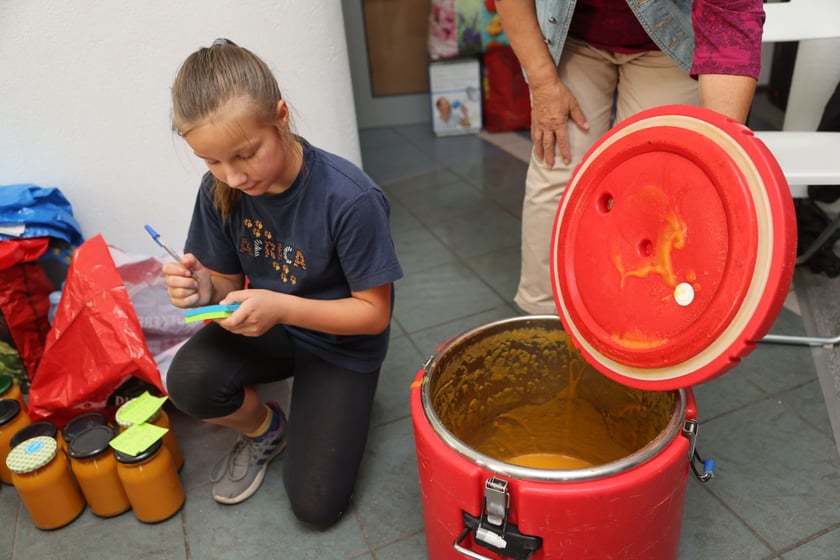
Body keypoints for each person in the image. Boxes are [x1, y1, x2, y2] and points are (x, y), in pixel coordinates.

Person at [162, 39, 403, 527]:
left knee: (316, 506)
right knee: (188, 381)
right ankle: (267, 429)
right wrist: (201, 290)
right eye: (211, 162)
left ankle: (344, 399)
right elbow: (227, 283)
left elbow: (374, 315)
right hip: (275, 327)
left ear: (281, 116)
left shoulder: (349, 197)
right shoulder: (221, 190)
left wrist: (280, 307)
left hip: (343, 342)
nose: (232, 176)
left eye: (245, 154)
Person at [494, 0, 765, 314]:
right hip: (572, 36)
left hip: (669, 41)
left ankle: (634, 326)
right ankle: (543, 323)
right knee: (560, 173)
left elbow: (729, 16)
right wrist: (543, 82)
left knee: (652, 189)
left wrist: (719, 162)